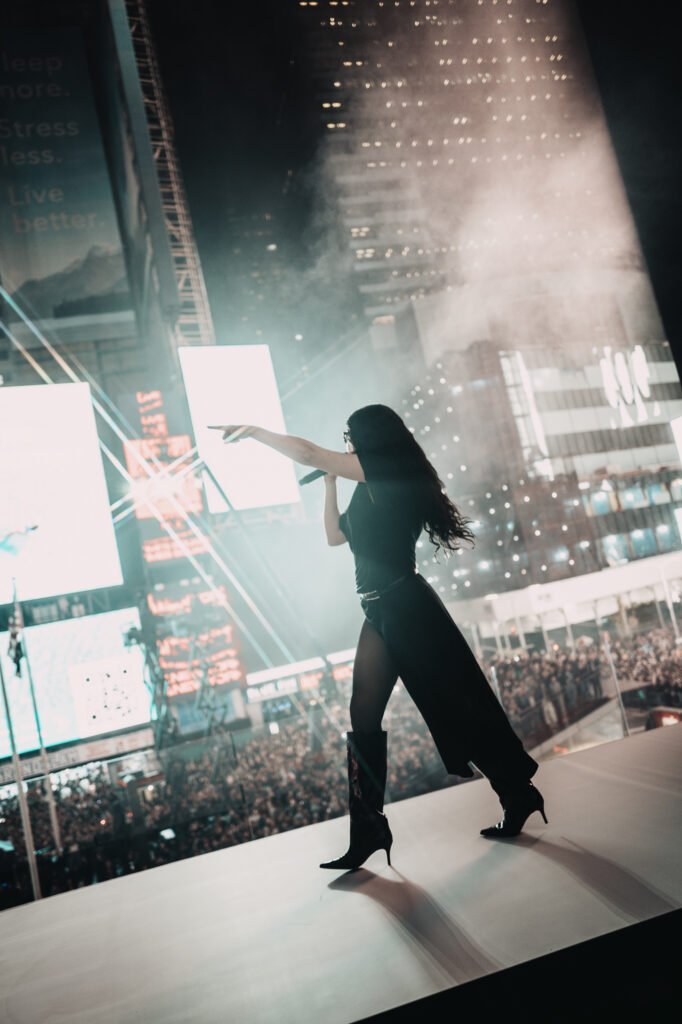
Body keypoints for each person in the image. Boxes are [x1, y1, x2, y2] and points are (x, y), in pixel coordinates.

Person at [209, 405, 547, 871]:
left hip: (407, 607)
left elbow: (308, 451)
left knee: (453, 705)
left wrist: (257, 433)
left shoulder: (387, 471)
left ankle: (516, 792)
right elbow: (333, 537)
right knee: (362, 711)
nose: (345, 443)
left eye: (349, 435)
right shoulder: (364, 487)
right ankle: (369, 828)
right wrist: (329, 483)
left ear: (370, 436)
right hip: (379, 609)